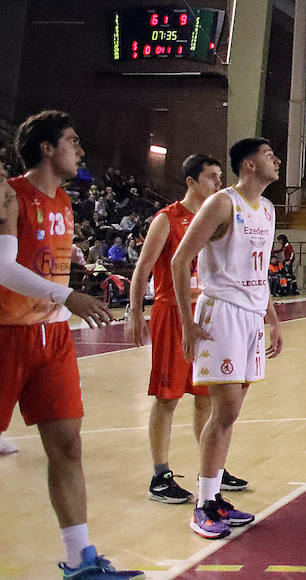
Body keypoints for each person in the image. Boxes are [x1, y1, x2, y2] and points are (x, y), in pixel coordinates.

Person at [0, 110, 144, 578]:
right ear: (47, 148)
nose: (80, 150)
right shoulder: (11, 195)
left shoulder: (63, 200)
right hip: (6, 333)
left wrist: (62, 298)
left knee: (67, 447)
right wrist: (68, 296)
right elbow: (2, 267)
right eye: (72, 141)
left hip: (54, 336)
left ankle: (81, 559)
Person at [172, 138, 284, 540]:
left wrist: (273, 318)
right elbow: (180, 260)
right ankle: (203, 505)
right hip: (221, 312)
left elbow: (260, 273)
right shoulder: (223, 204)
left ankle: (215, 496)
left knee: (230, 414)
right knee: (224, 411)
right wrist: (187, 323)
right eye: (269, 155)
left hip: (252, 316)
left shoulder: (267, 208)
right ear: (249, 164)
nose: (277, 160)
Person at [127, 153, 250, 505]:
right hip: (171, 312)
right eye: (211, 176)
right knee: (167, 396)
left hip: (208, 313)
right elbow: (143, 267)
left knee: (207, 397)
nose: (218, 182)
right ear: (191, 182)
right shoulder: (167, 219)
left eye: (220, 176)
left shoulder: (218, 219)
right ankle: (160, 475)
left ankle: (210, 468)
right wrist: (135, 312)